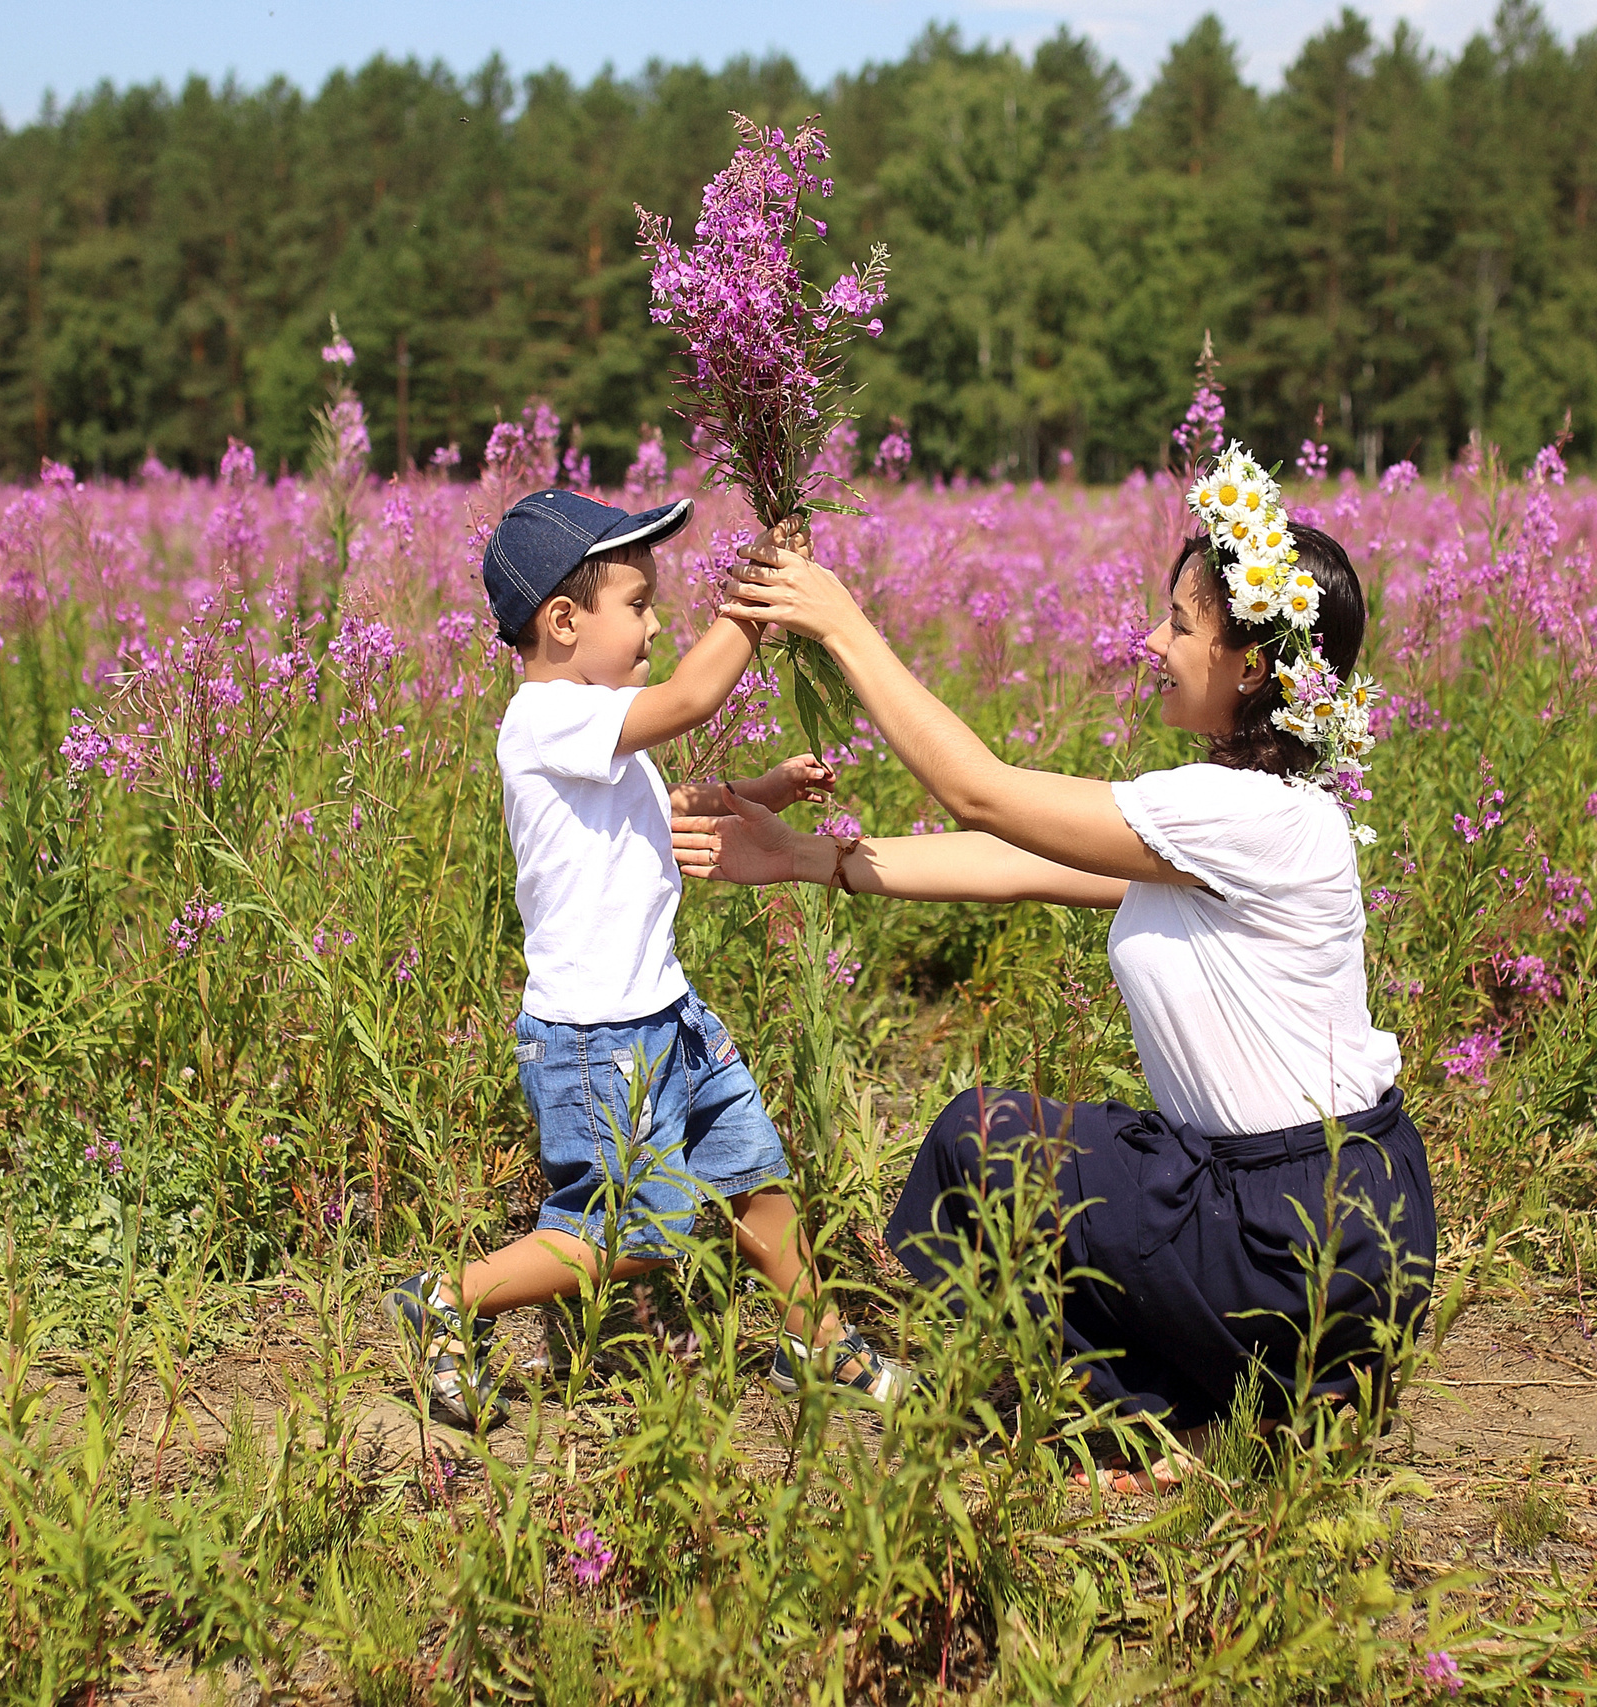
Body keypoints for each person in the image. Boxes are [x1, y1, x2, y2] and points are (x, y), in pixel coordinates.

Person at [677, 445, 1433, 1488]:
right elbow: (1020, 859)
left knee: (973, 1143)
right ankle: (1225, 1409)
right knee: (1078, 1160)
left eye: (1179, 623)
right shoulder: (1252, 816)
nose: (1151, 640)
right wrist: (806, 859)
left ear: (1249, 667)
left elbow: (982, 796)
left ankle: (1120, 1429)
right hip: (1339, 1216)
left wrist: (841, 625)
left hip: (1294, 1232)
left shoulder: (1244, 815)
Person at [383, 489, 913, 1428]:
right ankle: (448, 1297)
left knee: (755, 1171)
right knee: (630, 1232)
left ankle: (814, 1341)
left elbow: (653, 816)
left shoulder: (595, 720)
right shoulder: (544, 718)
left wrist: (763, 787)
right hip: (597, 1037)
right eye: (636, 603)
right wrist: (760, 594)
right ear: (561, 620)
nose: (654, 622)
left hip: (668, 1013)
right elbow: (691, 697)